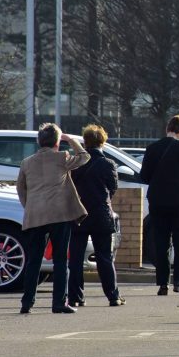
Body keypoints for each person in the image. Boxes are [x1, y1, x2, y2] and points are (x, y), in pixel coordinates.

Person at [17, 123, 89, 314]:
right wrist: (71, 140)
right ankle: (59, 303)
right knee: (60, 260)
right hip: (59, 215)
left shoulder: (26, 162)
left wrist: (29, 207)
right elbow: (84, 157)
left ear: (38, 142)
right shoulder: (62, 157)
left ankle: (27, 302)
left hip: (35, 216)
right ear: (57, 142)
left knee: (33, 260)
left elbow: (21, 189)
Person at [141, 115, 179, 297]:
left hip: (158, 200)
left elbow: (144, 176)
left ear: (167, 128)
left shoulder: (152, 148)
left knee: (161, 241)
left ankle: (162, 283)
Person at [68, 124, 123, 307]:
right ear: (103, 141)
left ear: (85, 142)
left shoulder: (76, 163)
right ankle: (113, 296)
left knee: (75, 259)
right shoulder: (108, 164)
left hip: (78, 214)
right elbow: (112, 189)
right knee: (105, 257)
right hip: (101, 214)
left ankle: (76, 297)